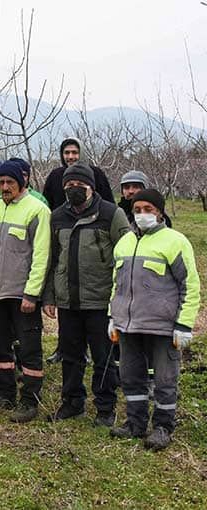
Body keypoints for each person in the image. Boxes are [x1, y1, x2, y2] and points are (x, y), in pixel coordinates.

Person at [108, 189, 200, 450]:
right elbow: (117, 284)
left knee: (164, 379)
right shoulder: (124, 242)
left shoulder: (175, 241)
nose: (142, 215)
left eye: (148, 209)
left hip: (163, 326)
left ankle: (162, 426)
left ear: (159, 212)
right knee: (130, 376)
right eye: (137, 210)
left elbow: (189, 285)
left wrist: (184, 324)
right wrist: (112, 316)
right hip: (128, 324)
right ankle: (135, 423)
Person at [43, 163, 130, 426]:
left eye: (79, 184)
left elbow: (125, 256)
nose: (73, 189)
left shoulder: (111, 214)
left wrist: (122, 297)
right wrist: (49, 296)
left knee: (103, 358)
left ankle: (105, 408)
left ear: (91, 186)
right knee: (70, 355)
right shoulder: (57, 216)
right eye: (68, 185)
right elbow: (51, 258)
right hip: (68, 300)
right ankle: (72, 402)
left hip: (100, 300)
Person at [0, 159, 51, 423]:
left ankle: (30, 399)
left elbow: (41, 255)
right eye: (1, 182)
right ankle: (5, 393)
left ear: (21, 183)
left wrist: (32, 293)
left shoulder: (37, 210)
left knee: (29, 347)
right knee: (0, 344)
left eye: (10, 182)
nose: (5, 186)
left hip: (22, 294)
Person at [42, 137, 114, 209]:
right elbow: (46, 205)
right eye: (67, 153)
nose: (70, 157)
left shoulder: (96, 174)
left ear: (81, 153)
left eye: (74, 152)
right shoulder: (55, 176)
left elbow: (108, 203)